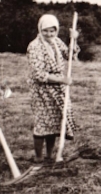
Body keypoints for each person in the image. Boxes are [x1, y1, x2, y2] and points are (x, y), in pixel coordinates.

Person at [27, 14, 79, 162]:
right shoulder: (35, 46)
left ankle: (50, 155)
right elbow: (38, 74)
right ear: (40, 30)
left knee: (55, 122)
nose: (49, 34)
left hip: (58, 89)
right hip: (42, 90)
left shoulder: (56, 42)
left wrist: (73, 40)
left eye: (52, 31)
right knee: (42, 122)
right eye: (46, 31)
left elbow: (69, 54)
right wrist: (61, 79)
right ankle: (38, 157)